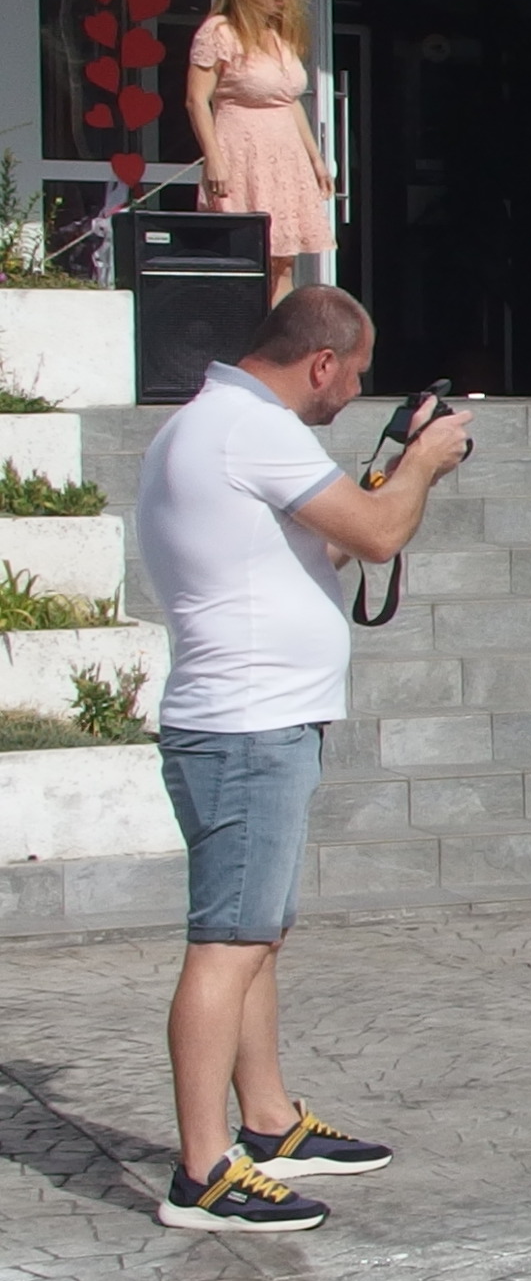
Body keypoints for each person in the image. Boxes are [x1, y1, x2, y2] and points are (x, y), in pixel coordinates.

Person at [137, 287, 470, 1231]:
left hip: (247, 722)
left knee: (257, 933)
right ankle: (204, 1171)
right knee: (228, 942)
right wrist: (422, 463)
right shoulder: (253, 429)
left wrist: (389, 471)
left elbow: (323, 550)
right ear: (321, 361)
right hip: (246, 727)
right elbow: (377, 534)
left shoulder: (210, 422)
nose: (354, 390)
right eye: (355, 373)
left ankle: (269, 1120)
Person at [184, 0, 334, 309]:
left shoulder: (280, 37)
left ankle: (278, 337)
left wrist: (316, 159)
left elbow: (289, 101)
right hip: (243, 154)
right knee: (250, 257)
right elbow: (196, 100)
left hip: (285, 158)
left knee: (283, 262)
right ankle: (244, 333)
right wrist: (214, 158)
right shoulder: (220, 32)